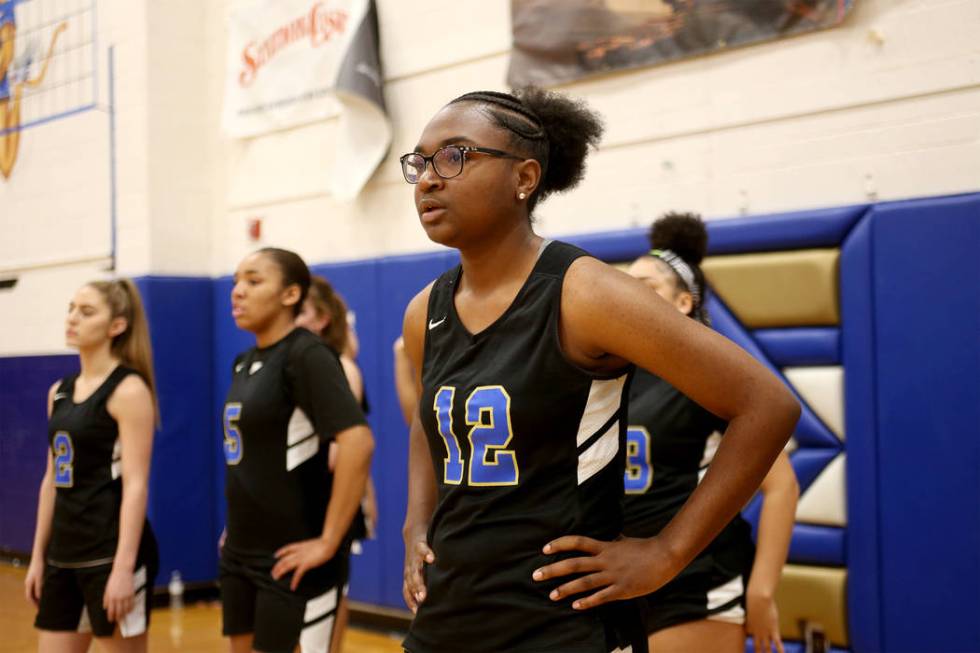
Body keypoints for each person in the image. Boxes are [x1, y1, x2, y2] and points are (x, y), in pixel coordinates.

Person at [399, 87, 799, 653]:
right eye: (419, 162)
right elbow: (427, 421)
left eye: (455, 155)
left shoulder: (585, 292)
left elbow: (768, 405)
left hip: (563, 625)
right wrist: (416, 521)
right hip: (448, 618)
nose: (429, 178)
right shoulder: (425, 311)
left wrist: (666, 552)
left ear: (525, 178)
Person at [622, 213, 798, 653]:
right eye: (625, 288)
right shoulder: (609, 377)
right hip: (619, 575)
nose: (628, 298)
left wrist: (761, 591)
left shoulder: (712, 375)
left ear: (683, 303)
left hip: (695, 582)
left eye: (646, 287)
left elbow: (781, 487)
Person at [221, 248, 374, 653]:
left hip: (294, 558)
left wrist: (328, 540)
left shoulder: (306, 354)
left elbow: (357, 441)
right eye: (236, 280)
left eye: (253, 281)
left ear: (290, 295)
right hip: (240, 553)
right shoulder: (244, 361)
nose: (238, 291)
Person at [25, 279, 160, 652]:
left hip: (110, 554)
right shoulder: (59, 391)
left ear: (116, 326)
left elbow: (136, 484)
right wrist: (38, 557)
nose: (72, 318)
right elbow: (51, 479)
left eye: (86, 312)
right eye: (71, 308)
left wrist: (123, 569)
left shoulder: (128, 390)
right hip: (63, 555)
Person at [294, 274, 379, 653]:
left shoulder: (341, 368)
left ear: (322, 318)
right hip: (295, 504)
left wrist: (365, 496)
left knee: (328, 596)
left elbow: (348, 447)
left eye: (301, 312)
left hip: (326, 502)